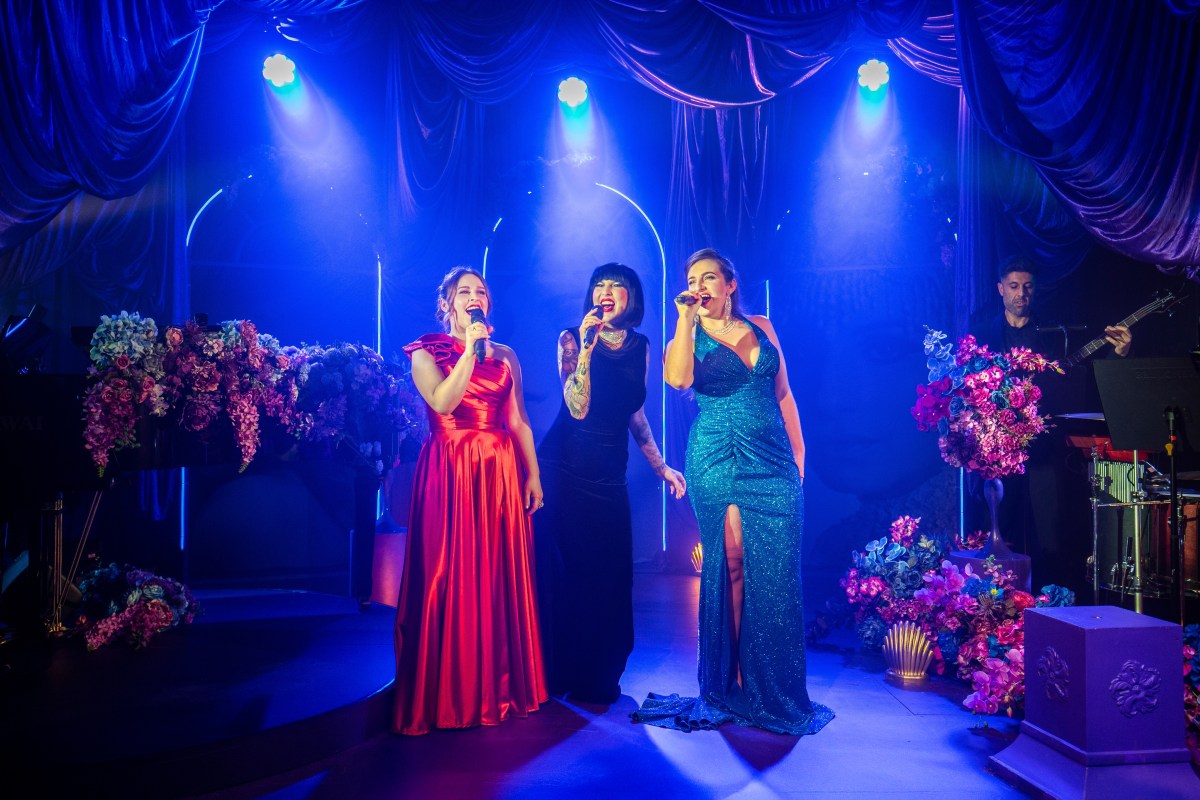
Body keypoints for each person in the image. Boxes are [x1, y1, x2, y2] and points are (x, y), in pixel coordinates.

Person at [632, 248, 834, 734]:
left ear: (729, 285)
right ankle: (732, 677)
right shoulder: (688, 333)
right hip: (718, 453)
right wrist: (684, 318)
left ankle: (775, 683)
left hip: (773, 456)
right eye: (692, 279)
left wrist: (800, 452)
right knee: (735, 561)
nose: (699, 285)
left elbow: (783, 393)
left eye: (708, 277)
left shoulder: (762, 326)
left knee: (778, 567)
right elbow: (677, 378)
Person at [392, 266, 547, 735]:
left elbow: (518, 420)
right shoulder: (425, 350)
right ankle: (449, 693)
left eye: (481, 290)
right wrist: (468, 352)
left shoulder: (507, 357)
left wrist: (533, 475)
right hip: (451, 467)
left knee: (497, 576)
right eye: (465, 292)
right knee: (448, 571)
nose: (474, 297)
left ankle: (499, 688)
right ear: (447, 304)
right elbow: (443, 401)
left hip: (498, 469)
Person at [535, 263, 687, 705]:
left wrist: (661, 466)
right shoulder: (570, 337)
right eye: (599, 285)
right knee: (569, 572)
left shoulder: (640, 346)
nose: (607, 292)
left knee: (611, 574)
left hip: (609, 471)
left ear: (631, 298)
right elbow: (577, 406)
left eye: (616, 286)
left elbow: (633, 412)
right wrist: (585, 347)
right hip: (564, 468)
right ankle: (557, 670)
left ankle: (598, 675)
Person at [973, 256, 1132, 592]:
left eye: (1027, 287)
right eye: (1014, 287)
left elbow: (1082, 374)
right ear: (1000, 289)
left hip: (1043, 447)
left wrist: (1118, 353)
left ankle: (1048, 600)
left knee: (1049, 530)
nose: (1021, 294)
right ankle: (993, 603)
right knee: (999, 527)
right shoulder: (982, 332)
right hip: (997, 450)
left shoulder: (1051, 333)